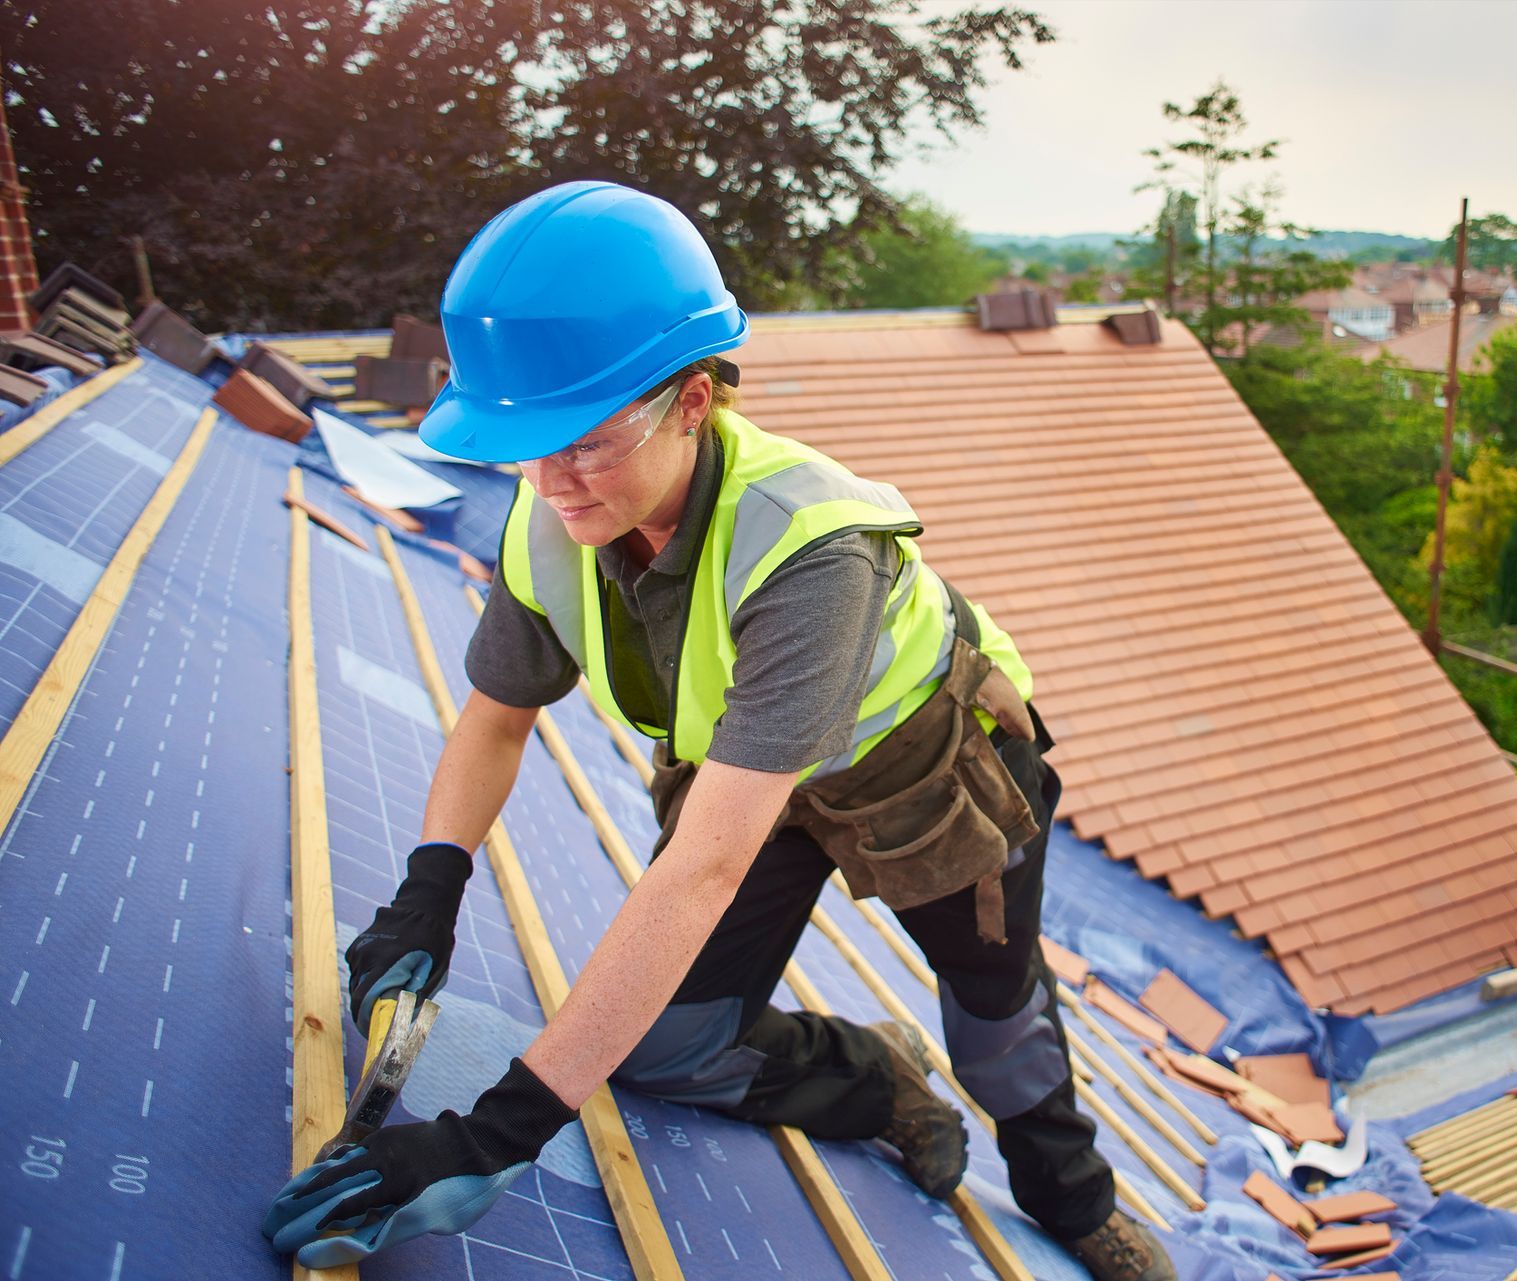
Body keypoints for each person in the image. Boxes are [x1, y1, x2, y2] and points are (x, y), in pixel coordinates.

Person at [262, 181, 1173, 1281]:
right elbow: (496, 722)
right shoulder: (555, 515)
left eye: (587, 444)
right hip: (755, 777)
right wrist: (430, 889)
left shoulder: (808, 553)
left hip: (924, 770)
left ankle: (1071, 1201)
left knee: (997, 1033)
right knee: (659, 1047)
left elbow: (702, 869)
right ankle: (877, 1081)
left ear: (693, 402)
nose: (552, 484)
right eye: (528, 448)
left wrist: (494, 1136)